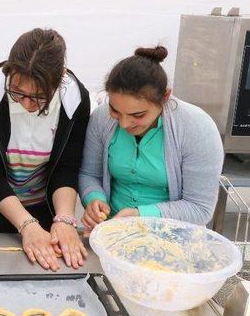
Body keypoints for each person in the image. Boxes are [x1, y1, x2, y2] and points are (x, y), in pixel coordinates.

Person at [0, 28, 91, 271]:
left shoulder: (75, 100)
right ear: (9, 70)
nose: (28, 104)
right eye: (18, 93)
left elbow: (67, 167)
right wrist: (26, 225)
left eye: (40, 97)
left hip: (43, 208)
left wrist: (64, 219)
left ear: (60, 79)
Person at [79, 46, 224, 234]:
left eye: (137, 115)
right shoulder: (101, 118)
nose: (124, 124)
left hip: (174, 236)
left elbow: (199, 208)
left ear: (165, 97)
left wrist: (141, 215)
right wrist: (94, 199)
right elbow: (90, 174)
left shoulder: (197, 128)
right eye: (115, 110)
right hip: (112, 232)